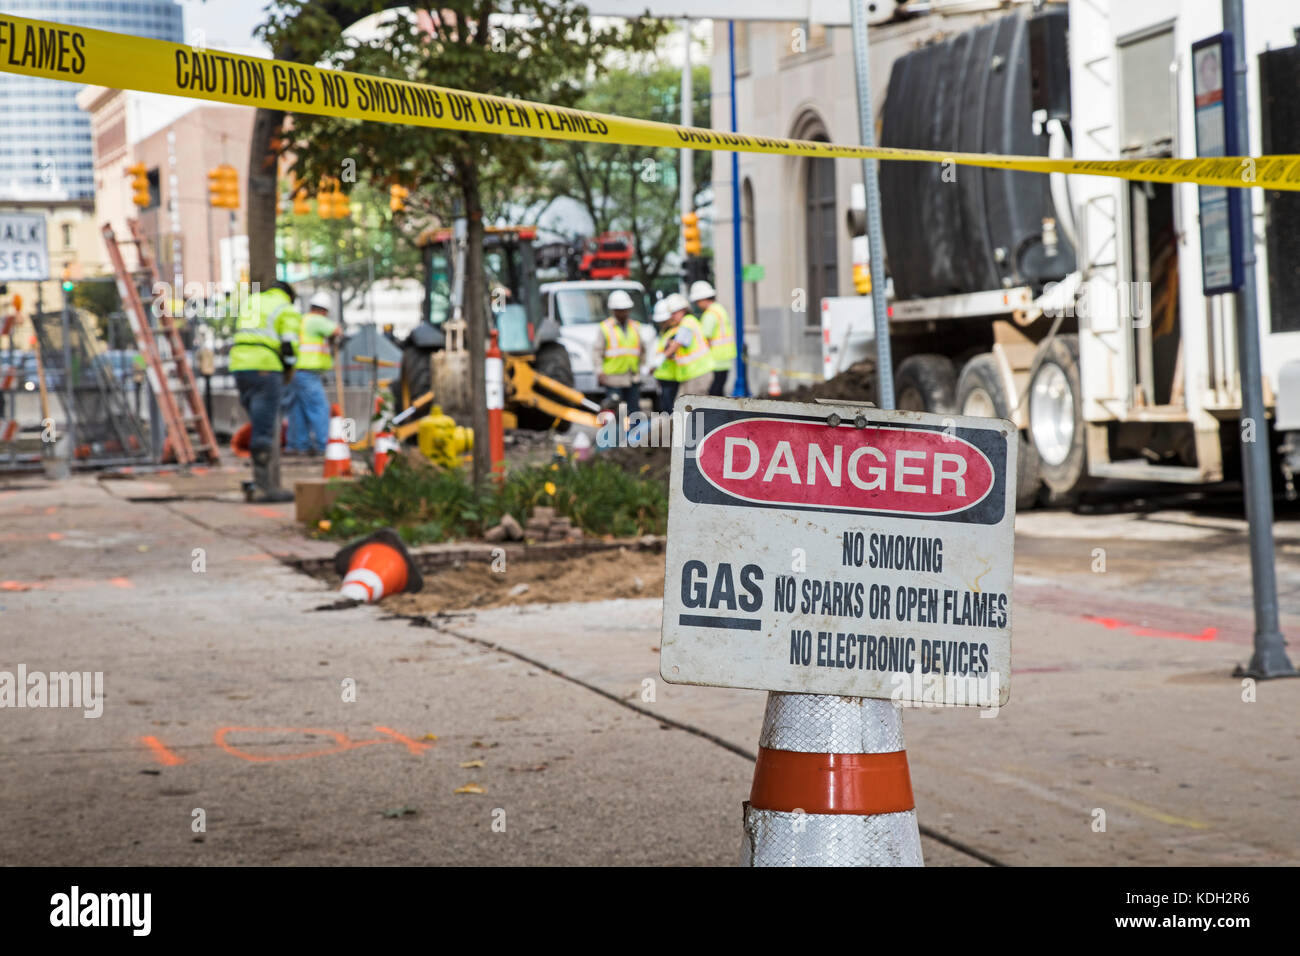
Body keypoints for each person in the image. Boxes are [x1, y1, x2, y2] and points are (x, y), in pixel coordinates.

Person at [230, 280, 301, 502]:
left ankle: (261, 482)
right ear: (289, 296)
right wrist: (289, 367)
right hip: (266, 367)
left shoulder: (252, 301)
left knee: (258, 421)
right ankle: (264, 487)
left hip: (240, 367)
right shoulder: (286, 309)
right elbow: (288, 345)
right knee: (265, 428)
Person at [285, 294, 340, 456]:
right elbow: (336, 330)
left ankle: (298, 445)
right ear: (323, 311)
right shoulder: (315, 320)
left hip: (295, 372)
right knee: (319, 408)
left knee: (298, 410)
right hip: (307, 373)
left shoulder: (302, 320)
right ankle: (324, 445)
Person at [654, 293, 713, 411]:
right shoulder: (686, 323)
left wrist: (663, 356)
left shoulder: (688, 322)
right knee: (683, 409)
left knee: (691, 411)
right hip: (692, 375)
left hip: (698, 375)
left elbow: (678, 342)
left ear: (683, 310)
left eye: (674, 313)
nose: (672, 317)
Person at [593, 289, 643, 417]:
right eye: (620, 309)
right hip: (613, 379)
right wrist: (599, 371)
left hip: (632, 377)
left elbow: (642, 349)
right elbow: (597, 351)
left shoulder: (635, 326)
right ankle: (616, 436)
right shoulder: (605, 327)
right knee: (614, 412)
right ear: (613, 310)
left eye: (626, 309)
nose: (624, 312)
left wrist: (642, 367)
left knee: (634, 412)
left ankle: (634, 436)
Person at [689, 280, 736, 396]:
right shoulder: (719, 309)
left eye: (697, 301)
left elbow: (705, 339)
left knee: (714, 394)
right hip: (724, 359)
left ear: (703, 299)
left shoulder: (710, 314)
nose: (697, 305)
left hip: (714, 360)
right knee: (719, 392)